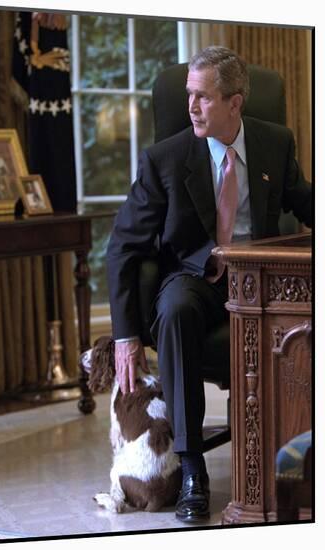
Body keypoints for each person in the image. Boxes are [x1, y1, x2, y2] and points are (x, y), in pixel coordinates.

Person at [106, 46, 312, 523]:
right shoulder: (165, 158)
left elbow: (304, 201)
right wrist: (125, 334)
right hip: (195, 277)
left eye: (203, 97)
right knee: (176, 310)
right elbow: (122, 246)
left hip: (260, 281)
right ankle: (192, 465)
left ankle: (300, 447)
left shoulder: (275, 143)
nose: (192, 107)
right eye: (188, 96)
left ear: (236, 103)